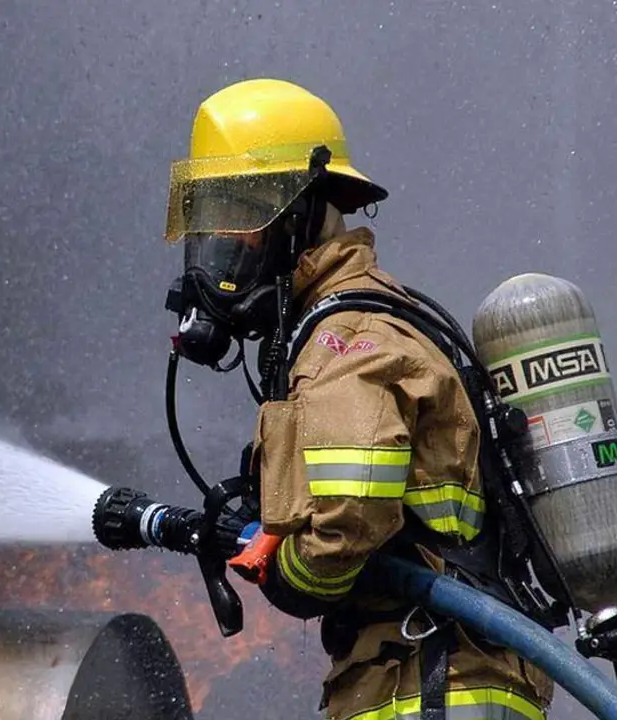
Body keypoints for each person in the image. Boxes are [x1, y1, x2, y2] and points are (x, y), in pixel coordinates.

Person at [163, 78, 555, 719]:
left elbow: (346, 524)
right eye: (211, 221)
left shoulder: (349, 341)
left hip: (431, 683)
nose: (223, 246)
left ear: (302, 213)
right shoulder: (343, 327)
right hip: (428, 676)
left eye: (245, 216)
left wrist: (288, 575)